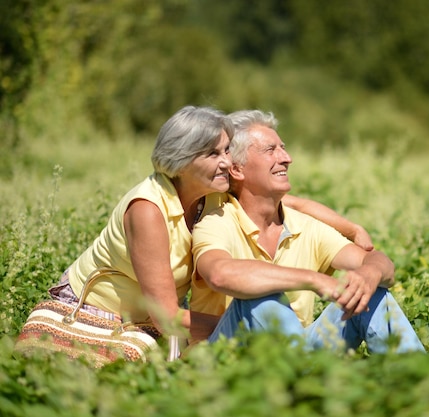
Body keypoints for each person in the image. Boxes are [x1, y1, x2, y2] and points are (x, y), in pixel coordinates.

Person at [45, 105, 374, 350]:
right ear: (182, 159)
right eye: (214, 153)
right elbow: (166, 317)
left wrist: (352, 228)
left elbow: (292, 203)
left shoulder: (208, 193)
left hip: (145, 318)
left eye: (227, 151)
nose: (226, 162)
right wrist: (245, 329)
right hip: (97, 313)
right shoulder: (148, 210)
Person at [191, 110, 426, 353]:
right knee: (261, 295)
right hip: (227, 360)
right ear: (237, 170)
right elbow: (219, 274)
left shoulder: (304, 226)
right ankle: (305, 384)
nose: (287, 158)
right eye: (270, 150)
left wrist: (370, 274)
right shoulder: (216, 221)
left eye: (283, 148)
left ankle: (418, 380)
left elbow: (379, 262)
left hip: (299, 352)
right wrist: (314, 279)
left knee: (373, 294)